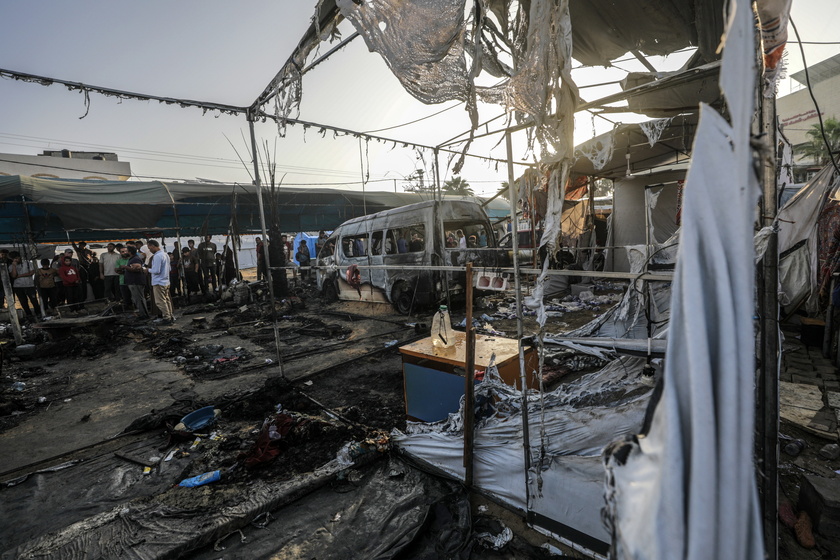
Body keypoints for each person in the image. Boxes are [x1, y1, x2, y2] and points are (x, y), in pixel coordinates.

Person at [147, 240, 174, 324]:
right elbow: (169, 268)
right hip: (166, 280)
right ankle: (170, 315)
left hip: (158, 281)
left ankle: (167, 318)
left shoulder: (157, 256)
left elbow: (156, 270)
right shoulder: (165, 254)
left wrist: (147, 270)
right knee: (166, 300)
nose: (149, 250)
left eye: (149, 248)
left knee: (160, 301)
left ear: (153, 246)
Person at [9, 252, 39, 319]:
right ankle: (29, 314)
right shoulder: (11, 266)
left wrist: (19, 276)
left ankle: (38, 313)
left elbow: (31, 272)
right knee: (23, 301)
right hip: (18, 286)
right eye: (14, 259)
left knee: (34, 300)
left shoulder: (28, 263)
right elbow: (13, 275)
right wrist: (14, 266)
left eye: (17, 258)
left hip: (29, 284)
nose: (16, 260)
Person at [123, 246, 149, 319]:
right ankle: (142, 313)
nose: (125, 253)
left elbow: (136, 269)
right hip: (133, 282)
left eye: (126, 251)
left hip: (136, 282)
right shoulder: (133, 259)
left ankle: (144, 314)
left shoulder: (135, 259)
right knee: (136, 298)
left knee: (139, 298)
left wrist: (125, 267)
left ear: (130, 252)